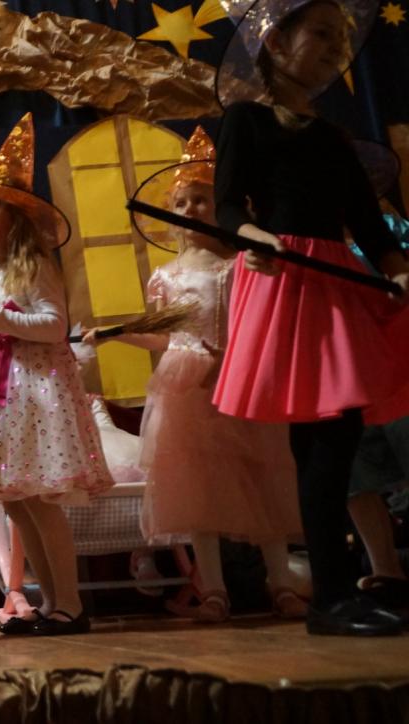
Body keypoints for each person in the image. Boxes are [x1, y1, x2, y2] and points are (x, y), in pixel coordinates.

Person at [213, 0, 409, 635]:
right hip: (288, 280)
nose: (333, 48)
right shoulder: (245, 119)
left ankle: (341, 590)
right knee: (321, 442)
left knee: (340, 438)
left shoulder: (332, 137)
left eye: (338, 38)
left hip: (338, 282)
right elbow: (226, 208)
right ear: (276, 43)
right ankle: (331, 597)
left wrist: (398, 269)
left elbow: (370, 225)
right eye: (320, 34)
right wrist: (254, 238)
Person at [86, 127, 305, 622]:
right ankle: (214, 591)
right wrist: (121, 334)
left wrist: (236, 356)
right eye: (181, 202)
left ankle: (282, 584)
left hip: (239, 379)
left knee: (261, 479)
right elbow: (165, 337)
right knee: (198, 489)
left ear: (221, 207)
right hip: (186, 387)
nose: (190, 209)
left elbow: (260, 321)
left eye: (201, 200)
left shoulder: (240, 264)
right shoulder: (167, 276)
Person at [0, 113, 114, 636]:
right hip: (2, 396)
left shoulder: (34, 266)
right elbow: (6, 334)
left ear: (14, 221)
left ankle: (71, 604)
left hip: (35, 396)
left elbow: (54, 326)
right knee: (16, 504)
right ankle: (47, 599)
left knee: (39, 501)